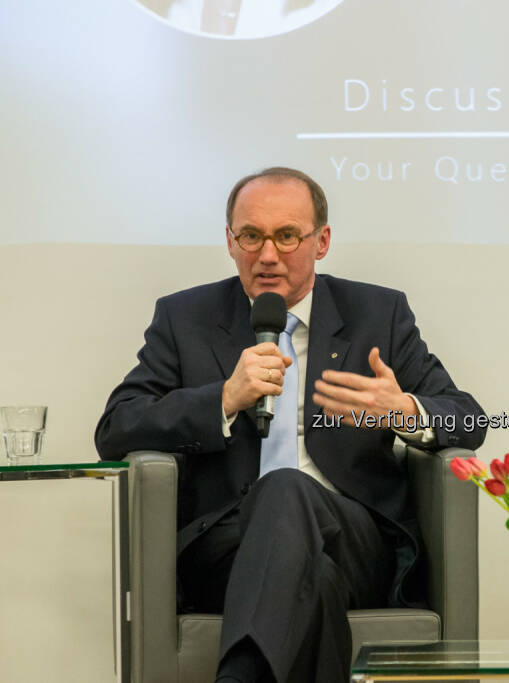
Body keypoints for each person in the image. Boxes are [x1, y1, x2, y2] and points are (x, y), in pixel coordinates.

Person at [95, 167, 486, 683]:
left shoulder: (378, 312)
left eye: (287, 236)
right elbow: (117, 427)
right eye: (251, 236)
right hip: (227, 547)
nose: (268, 255)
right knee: (311, 579)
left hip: (355, 538)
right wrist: (224, 398)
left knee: (287, 491)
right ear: (230, 242)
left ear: (321, 241)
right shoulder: (185, 316)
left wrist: (402, 410)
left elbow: (468, 418)